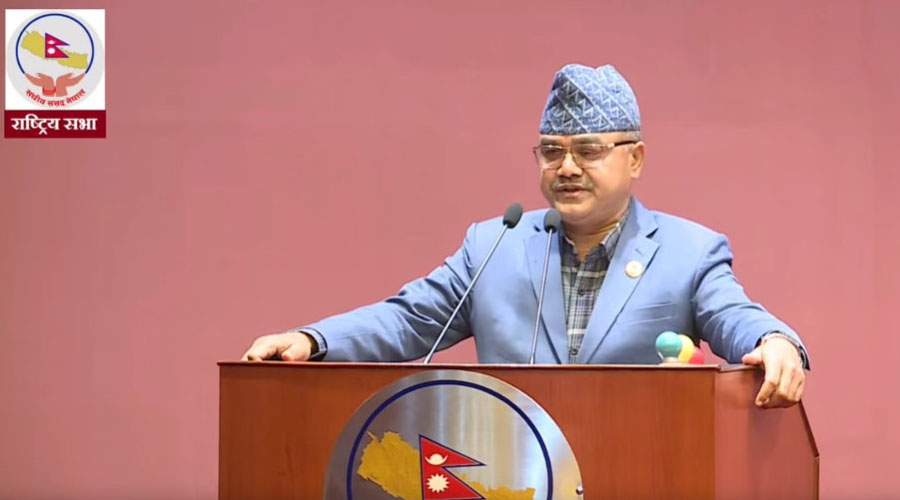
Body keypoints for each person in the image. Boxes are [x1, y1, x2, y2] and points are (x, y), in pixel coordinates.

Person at [243, 64, 809, 408]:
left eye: (588, 151)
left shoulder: (689, 252)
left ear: (635, 159)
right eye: (551, 152)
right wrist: (312, 340)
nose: (567, 168)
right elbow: (409, 320)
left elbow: (734, 314)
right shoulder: (494, 245)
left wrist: (776, 341)